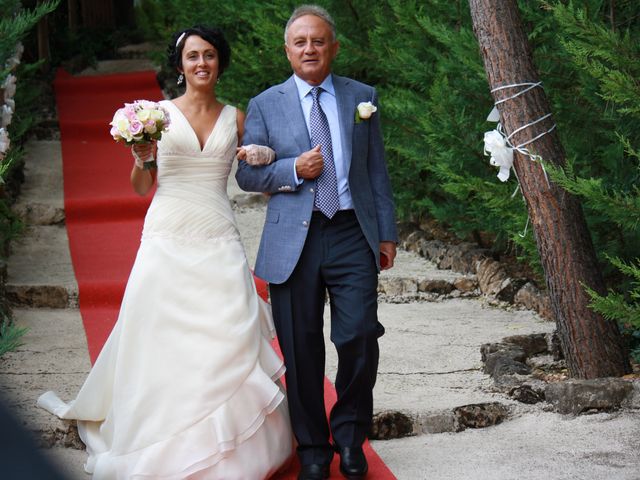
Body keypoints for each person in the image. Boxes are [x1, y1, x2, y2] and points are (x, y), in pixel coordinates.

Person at [38, 26, 293, 479]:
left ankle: (235, 446)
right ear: (180, 66)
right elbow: (141, 188)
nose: (201, 63)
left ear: (220, 62)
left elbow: (251, 176)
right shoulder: (154, 114)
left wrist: (262, 156)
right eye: (192, 56)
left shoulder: (236, 117)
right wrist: (142, 157)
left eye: (210, 55)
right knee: (159, 335)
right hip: (167, 233)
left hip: (217, 231)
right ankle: (160, 434)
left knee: (226, 333)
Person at [236, 5, 398, 480]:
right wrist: (291, 170)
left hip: (351, 231)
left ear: (334, 47)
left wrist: (386, 234)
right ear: (287, 50)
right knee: (301, 346)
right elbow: (247, 173)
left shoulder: (361, 97)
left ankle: (350, 437)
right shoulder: (266, 103)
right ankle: (312, 449)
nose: (309, 49)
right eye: (300, 42)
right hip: (294, 239)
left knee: (360, 336)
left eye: (318, 41)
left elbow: (376, 171)